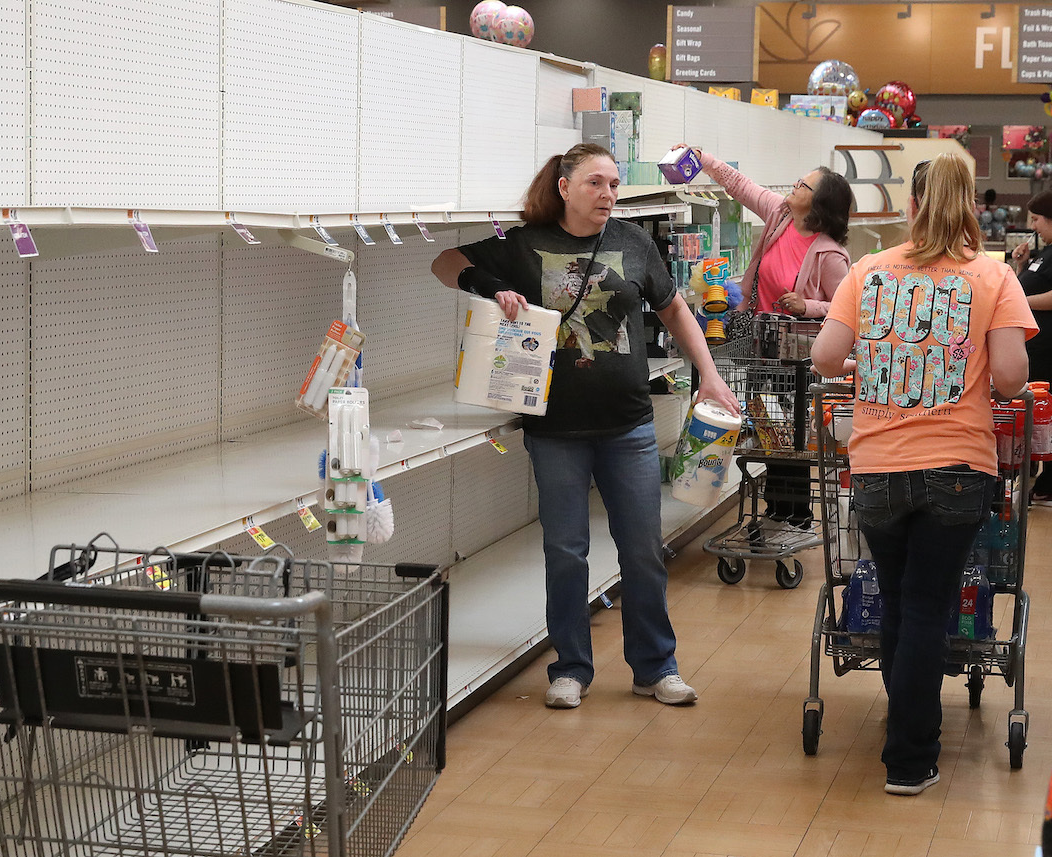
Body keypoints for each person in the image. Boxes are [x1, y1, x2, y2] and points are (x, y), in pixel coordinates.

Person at [430, 143, 740, 710]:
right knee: (566, 551)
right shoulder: (522, 244)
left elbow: (675, 310)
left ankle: (656, 668)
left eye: (615, 184)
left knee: (643, 548)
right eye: (596, 183)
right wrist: (485, 284)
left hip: (629, 426)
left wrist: (711, 377)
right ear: (565, 186)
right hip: (555, 429)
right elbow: (443, 262)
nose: (608, 194)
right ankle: (570, 668)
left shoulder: (634, 242)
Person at [812, 154, 1035, 796]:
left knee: (898, 596)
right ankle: (910, 757)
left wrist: (879, 358)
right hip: (957, 467)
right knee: (928, 605)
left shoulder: (868, 270)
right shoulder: (994, 276)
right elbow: (1012, 378)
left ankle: (906, 726)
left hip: (878, 466)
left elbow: (827, 357)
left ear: (910, 207)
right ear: (970, 207)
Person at [678, 145, 854, 528]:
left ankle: (796, 516)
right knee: (767, 429)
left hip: (800, 359)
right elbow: (739, 185)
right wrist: (702, 158)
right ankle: (777, 513)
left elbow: (847, 309)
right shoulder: (780, 215)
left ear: (818, 203)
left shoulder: (830, 255)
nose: (794, 186)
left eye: (803, 184)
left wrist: (808, 306)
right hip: (760, 346)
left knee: (789, 437)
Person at [1011, 190, 1052, 503]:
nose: (1034, 226)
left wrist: (1019, 302)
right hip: (1032, 350)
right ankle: (1031, 477)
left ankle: (1046, 483)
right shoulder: (1043, 252)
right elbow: (1028, 284)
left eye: (1037, 219)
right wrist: (1021, 264)